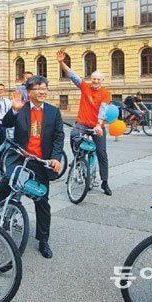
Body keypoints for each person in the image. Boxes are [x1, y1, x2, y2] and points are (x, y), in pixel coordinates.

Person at [0, 75, 64, 258]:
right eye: (38, 88)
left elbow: (59, 137)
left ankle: (43, 240)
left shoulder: (53, 111)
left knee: (42, 201)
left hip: (40, 162)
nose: (42, 91)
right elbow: (6, 124)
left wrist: (56, 158)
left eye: (44, 88)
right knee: (7, 181)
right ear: (29, 91)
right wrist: (14, 110)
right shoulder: (22, 108)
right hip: (20, 158)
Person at [57, 49, 112, 196]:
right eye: (93, 78)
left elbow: (103, 109)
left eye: (98, 79)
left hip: (97, 125)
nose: (95, 81)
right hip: (82, 122)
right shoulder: (85, 86)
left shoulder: (106, 93)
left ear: (102, 81)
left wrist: (99, 125)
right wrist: (62, 62)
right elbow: (71, 74)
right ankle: (78, 161)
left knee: (102, 153)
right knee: (74, 135)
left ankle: (105, 182)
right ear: (91, 79)